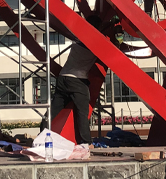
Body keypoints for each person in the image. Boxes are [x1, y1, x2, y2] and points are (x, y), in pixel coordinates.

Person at [50, 14, 121, 144]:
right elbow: (113, 51)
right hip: (77, 80)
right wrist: (117, 32)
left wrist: (107, 24)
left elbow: (95, 30)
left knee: (54, 111)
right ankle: (86, 142)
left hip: (63, 78)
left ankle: (42, 134)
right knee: (82, 113)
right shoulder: (95, 44)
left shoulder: (79, 37)